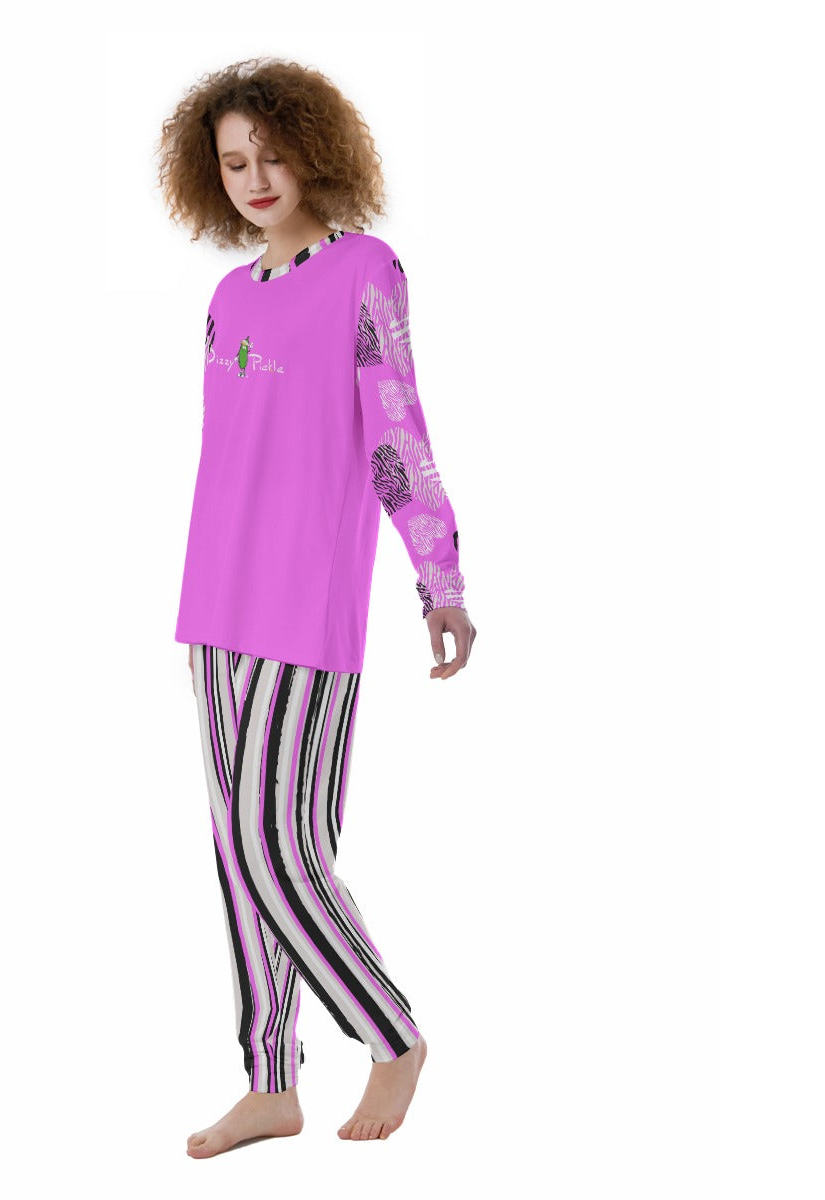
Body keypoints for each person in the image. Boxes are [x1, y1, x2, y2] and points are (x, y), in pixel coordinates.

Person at [157, 56, 476, 1159]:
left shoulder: (365, 271)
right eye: (232, 163)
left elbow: (396, 431)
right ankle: (270, 1082)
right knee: (237, 851)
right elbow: (227, 454)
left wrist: (440, 579)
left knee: (276, 841)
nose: (254, 179)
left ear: (315, 152)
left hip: (305, 602)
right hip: (214, 604)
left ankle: (391, 1034)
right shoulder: (228, 297)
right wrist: (198, 601)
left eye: (272, 155)